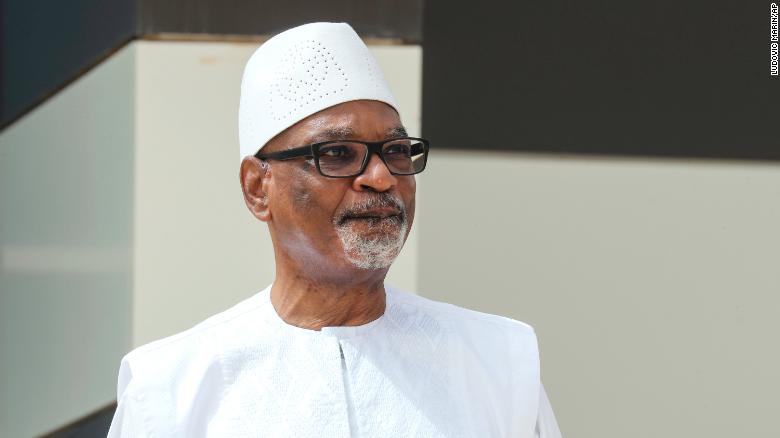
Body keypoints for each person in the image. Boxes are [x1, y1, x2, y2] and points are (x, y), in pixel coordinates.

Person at [107, 22, 562, 438]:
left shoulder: (497, 363)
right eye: (339, 153)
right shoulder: (172, 391)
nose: (381, 178)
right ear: (257, 188)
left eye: (397, 150)